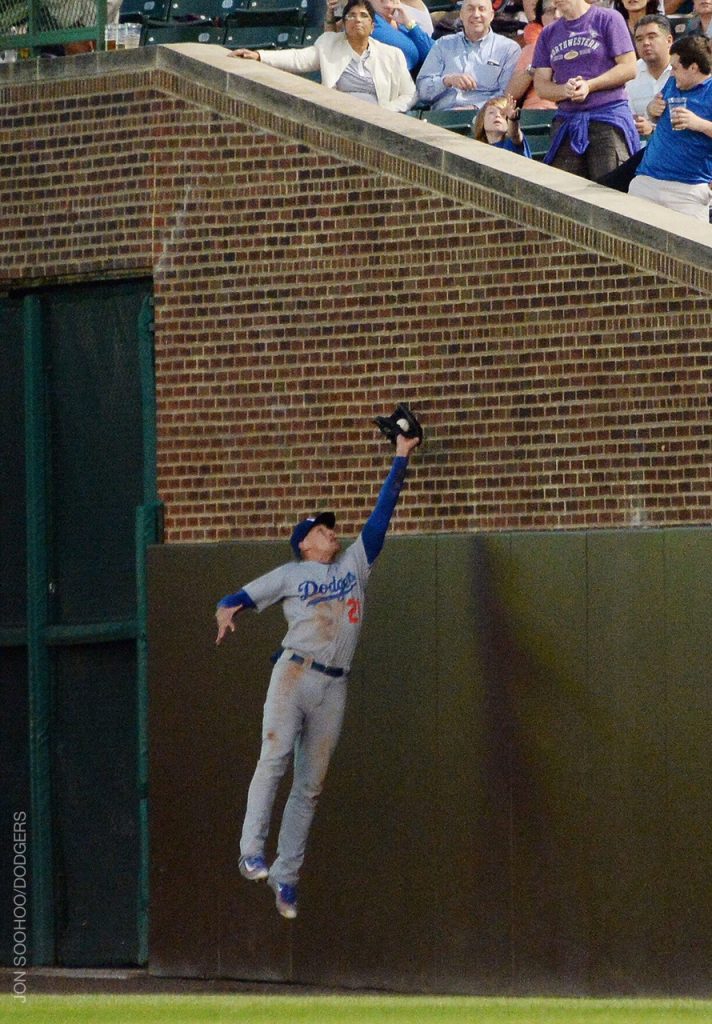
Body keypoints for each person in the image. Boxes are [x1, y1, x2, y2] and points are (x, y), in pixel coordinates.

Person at [215, 429, 421, 919]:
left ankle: (286, 877)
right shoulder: (290, 574)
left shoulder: (355, 564)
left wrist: (400, 457)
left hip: (334, 684)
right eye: (321, 529)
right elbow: (235, 598)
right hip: (294, 675)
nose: (332, 531)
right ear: (305, 543)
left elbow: (381, 516)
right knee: (274, 759)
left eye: (330, 528)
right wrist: (227, 611)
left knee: (310, 785)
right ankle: (251, 852)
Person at [229, 0, 415, 112]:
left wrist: (387, 110)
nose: (357, 20)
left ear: (373, 26)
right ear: (343, 22)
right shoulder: (329, 44)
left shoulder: (392, 55)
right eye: (351, 16)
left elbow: (410, 93)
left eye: (363, 16)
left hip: (380, 120)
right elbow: (298, 58)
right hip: (341, 115)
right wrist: (259, 55)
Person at [532, 0, 640, 178]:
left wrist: (589, 85)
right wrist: (564, 91)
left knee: (609, 190)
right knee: (562, 193)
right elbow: (541, 85)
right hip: (567, 121)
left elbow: (629, 68)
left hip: (608, 118)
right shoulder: (548, 33)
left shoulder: (608, 19)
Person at [628, 34, 712, 220]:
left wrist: (699, 124)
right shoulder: (673, 83)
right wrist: (651, 109)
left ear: (693, 67)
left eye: (675, 67)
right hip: (647, 180)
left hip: (688, 190)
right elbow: (653, 113)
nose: (671, 72)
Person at [416, 0, 521, 110]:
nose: (476, 15)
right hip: (442, 115)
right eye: (470, 9)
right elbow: (422, 91)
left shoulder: (509, 49)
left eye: (482, 9)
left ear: (491, 15)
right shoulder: (442, 44)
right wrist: (446, 80)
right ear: (461, 14)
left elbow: (506, 95)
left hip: (484, 118)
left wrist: (476, 107)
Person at [326, 0, 433, 72]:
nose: (388, 4)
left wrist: (409, 24)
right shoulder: (365, 21)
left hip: (412, 89)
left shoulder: (401, 20)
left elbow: (434, 53)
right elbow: (332, 44)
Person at [626, 14, 673, 137]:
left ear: (669, 41)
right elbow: (628, 118)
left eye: (652, 37)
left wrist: (652, 127)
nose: (646, 43)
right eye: (639, 39)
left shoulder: (686, 71)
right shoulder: (630, 74)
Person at [508, 0, 560, 109]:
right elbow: (510, 95)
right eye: (550, 11)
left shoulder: (587, 43)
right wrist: (534, 67)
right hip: (537, 110)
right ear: (541, 18)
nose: (557, 15)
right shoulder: (531, 49)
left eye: (561, 8)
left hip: (574, 110)